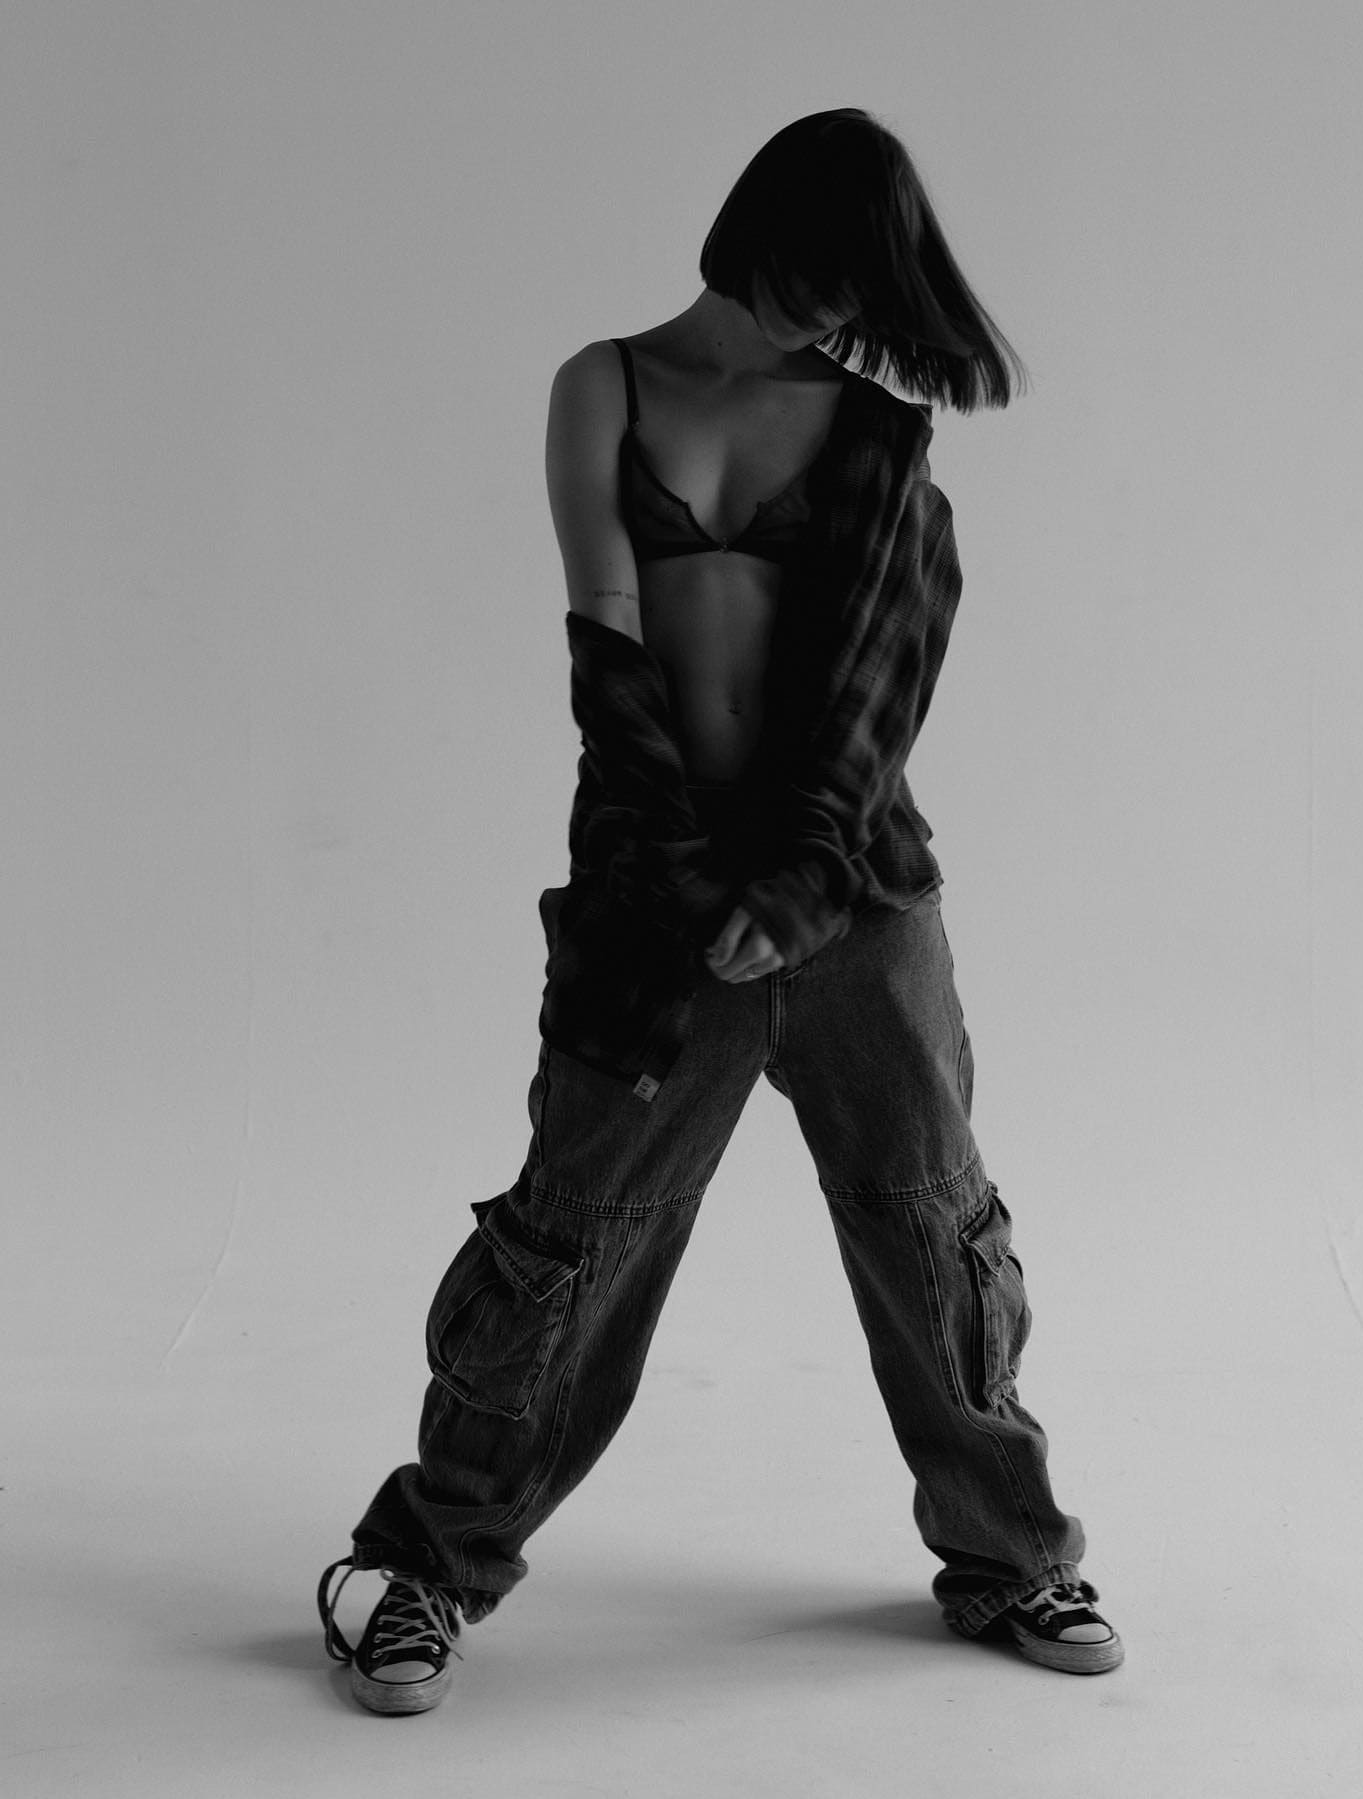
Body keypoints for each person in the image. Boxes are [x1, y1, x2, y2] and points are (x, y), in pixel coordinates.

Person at [317, 107, 1123, 1716]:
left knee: (930, 1224)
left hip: (858, 896)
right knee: (570, 1239)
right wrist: (690, 884)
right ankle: (424, 1570)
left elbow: (879, 691)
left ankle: (1010, 1556)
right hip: (652, 892)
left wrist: (805, 880)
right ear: (762, 226)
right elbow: (606, 649)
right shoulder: (604, 385)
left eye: (865, 282)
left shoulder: (881, 438)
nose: (836, 306)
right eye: (825, 265)